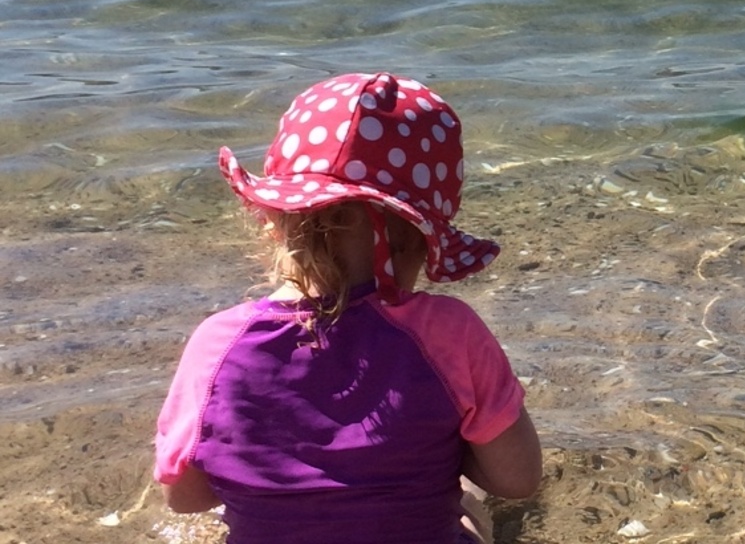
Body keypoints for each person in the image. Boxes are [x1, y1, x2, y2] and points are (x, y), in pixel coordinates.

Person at [153, 72, 542, 544]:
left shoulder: (216, 345)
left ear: (277, 222)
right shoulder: (448, 332)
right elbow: (518, 481)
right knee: (468, 510)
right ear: (418, 240)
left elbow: (187, 498)